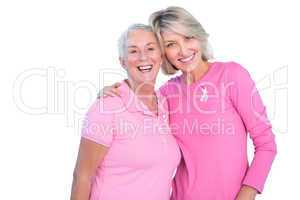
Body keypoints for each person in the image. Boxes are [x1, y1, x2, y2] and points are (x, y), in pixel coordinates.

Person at [99, 7, 277, 200]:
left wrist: (246, 194)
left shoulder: (232, 76)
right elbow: (135, 112)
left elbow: (266, 144)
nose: (183, 50)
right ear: (163, 53)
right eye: (171, 44)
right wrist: (113, 92)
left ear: (198, 36)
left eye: (188, 38)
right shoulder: (165, 95)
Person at [71, 24, 181, 200]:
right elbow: (82, 177)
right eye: (133, 51)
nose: (143, 57)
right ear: (122, 61)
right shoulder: (107, 108)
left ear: (160, 56)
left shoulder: (165, 103)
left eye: (150, 49)